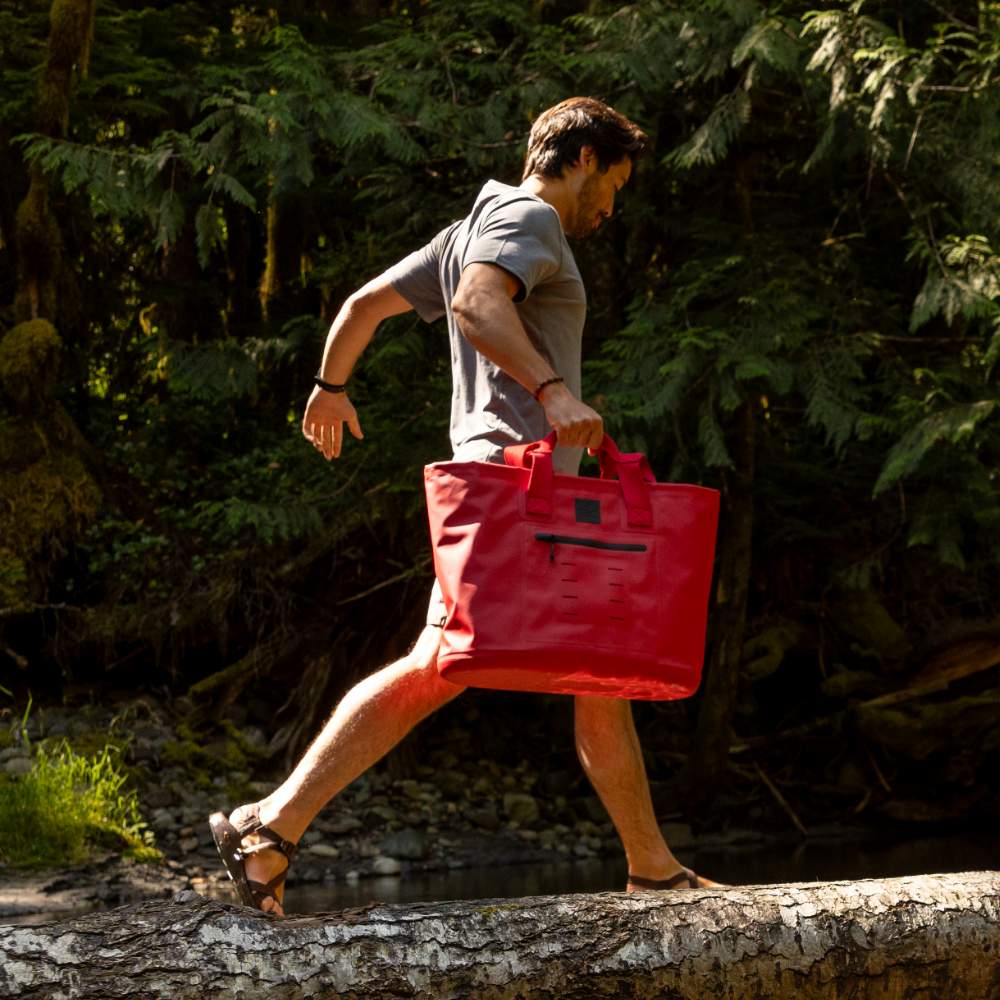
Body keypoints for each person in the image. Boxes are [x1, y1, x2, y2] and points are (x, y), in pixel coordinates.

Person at [210, 97, 718, 914]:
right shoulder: (528, 216)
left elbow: (361, 309)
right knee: (440, 664)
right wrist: (553, 392)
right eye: (613, 185)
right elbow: (480, 305)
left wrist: (329, 386)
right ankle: (267, 827)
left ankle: (652, 868)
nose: (611, 207)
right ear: (583, 158)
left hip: (527, 487)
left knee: (601, 671)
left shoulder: (463, 229)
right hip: (518, 487)